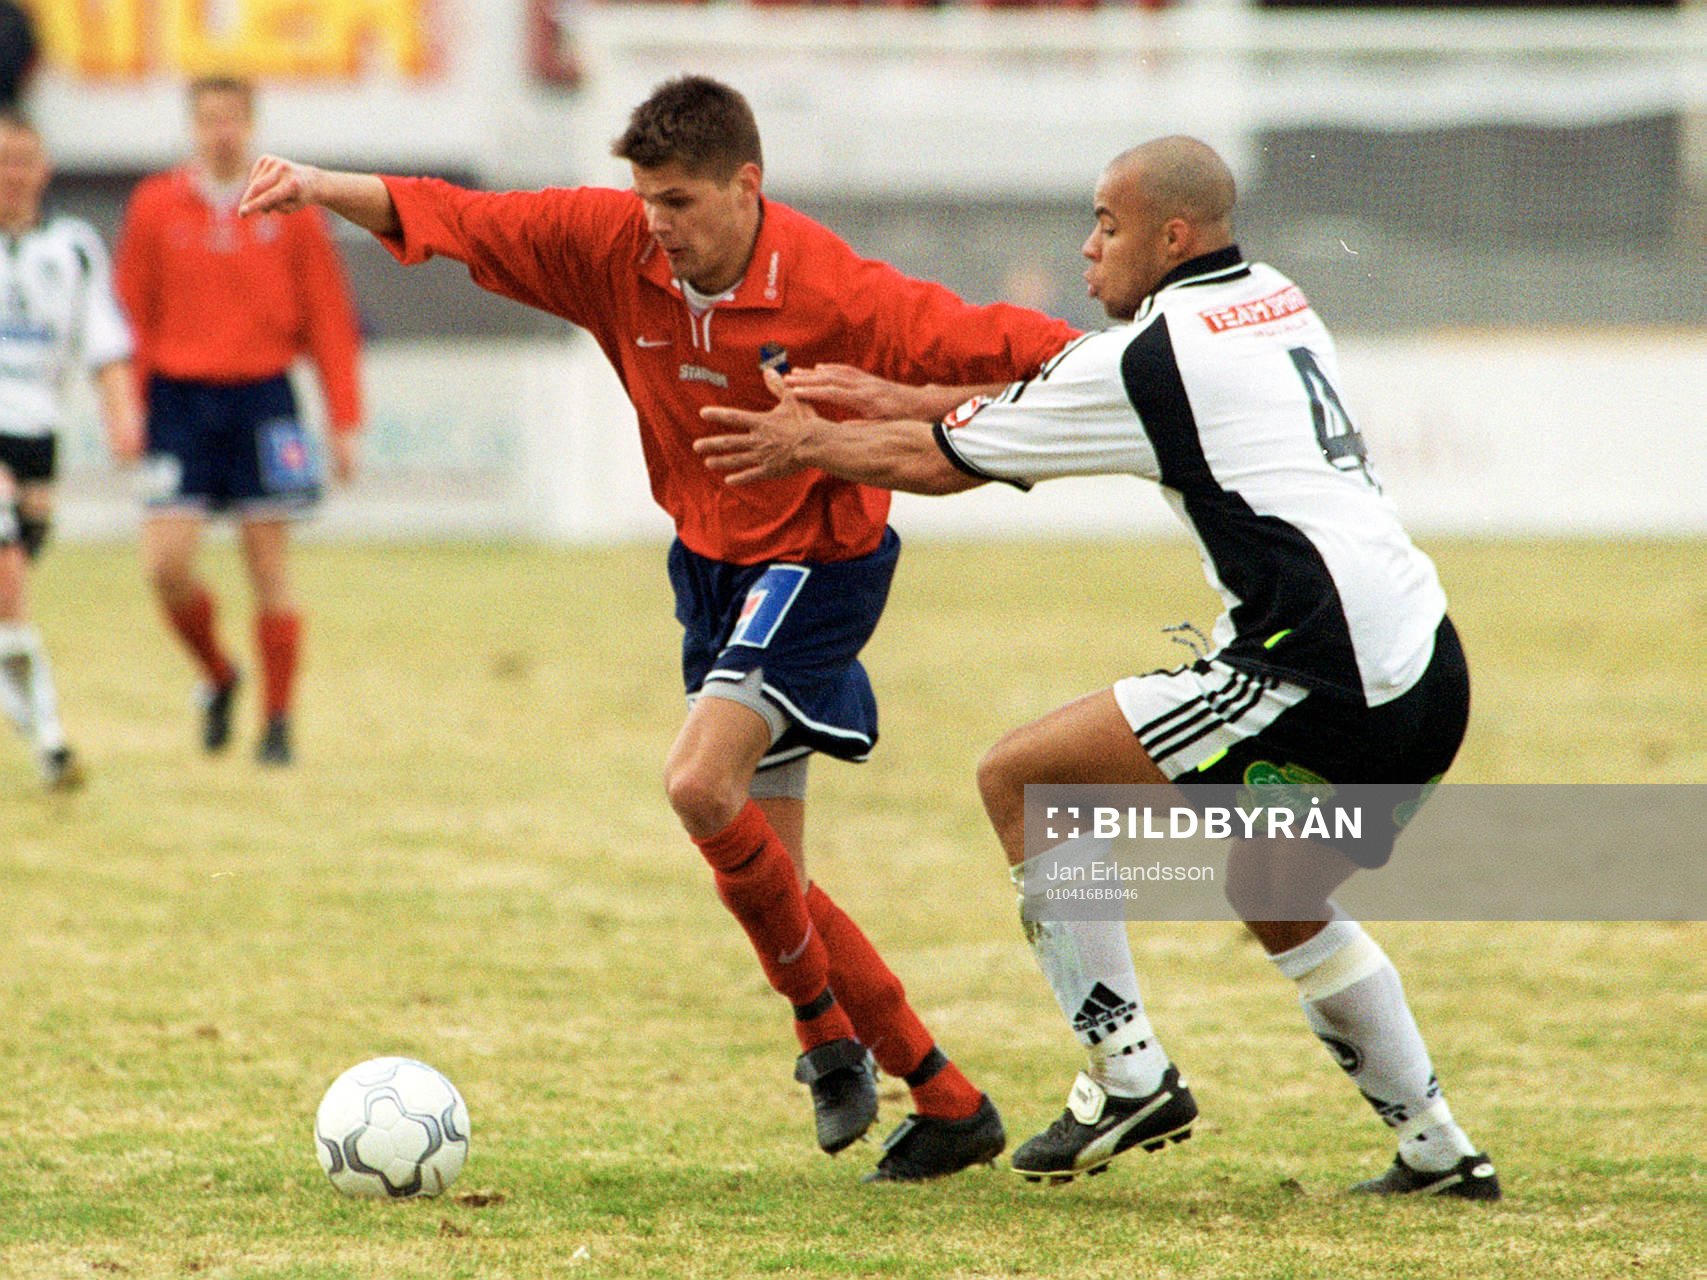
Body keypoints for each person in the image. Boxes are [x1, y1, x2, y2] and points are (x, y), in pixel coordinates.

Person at [236, 75, 1078, 1180]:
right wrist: (313, 184)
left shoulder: (829, 286)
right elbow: (456, 216)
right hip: (712, 569)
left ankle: (823, 1034)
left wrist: (1147, 353)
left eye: (678, 201)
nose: (657, 223)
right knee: (768, 864)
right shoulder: (612, 245)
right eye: (645, 199)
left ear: (747, 186)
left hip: (819, 562)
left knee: (696, 786)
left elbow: (985, 339)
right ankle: (943, 1092)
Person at [696, 136, 1500, 1200]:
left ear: (1172, 236)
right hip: (1427, 669)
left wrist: (809, 439)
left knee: (1023, 779)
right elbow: (1025, 399)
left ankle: (1129, 1074)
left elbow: (941, 461)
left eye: (1107, 227)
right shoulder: (1271, 298)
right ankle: (1439, 1148)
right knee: (1275, 883)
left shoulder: (1152, 361)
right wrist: (881, 392)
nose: (1086, 251)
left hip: (1318, 676)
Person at [115, 76, 364, 766]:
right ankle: (220, 674)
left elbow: (328, 320)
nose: (220, 131)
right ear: (191, 128)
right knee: (166, 566)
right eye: (208, 119)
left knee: (269, 569)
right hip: (179, 403)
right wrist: (127, 407)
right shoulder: (155, 205)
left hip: (264, 400)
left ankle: (278, 723)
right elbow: (131, 316)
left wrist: (344, 420)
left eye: (232, 119)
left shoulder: (290, 208)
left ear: (250, 125)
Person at [0, 110, 142, 789]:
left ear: (44, 168)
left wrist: (123, 416)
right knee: (8, 574)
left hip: (38, 436)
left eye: (23, 160)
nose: (11, 174)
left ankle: (46, 742)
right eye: (1, 160)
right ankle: (52, 741)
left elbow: (105, 343)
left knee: (9, 599)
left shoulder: (75, 248)